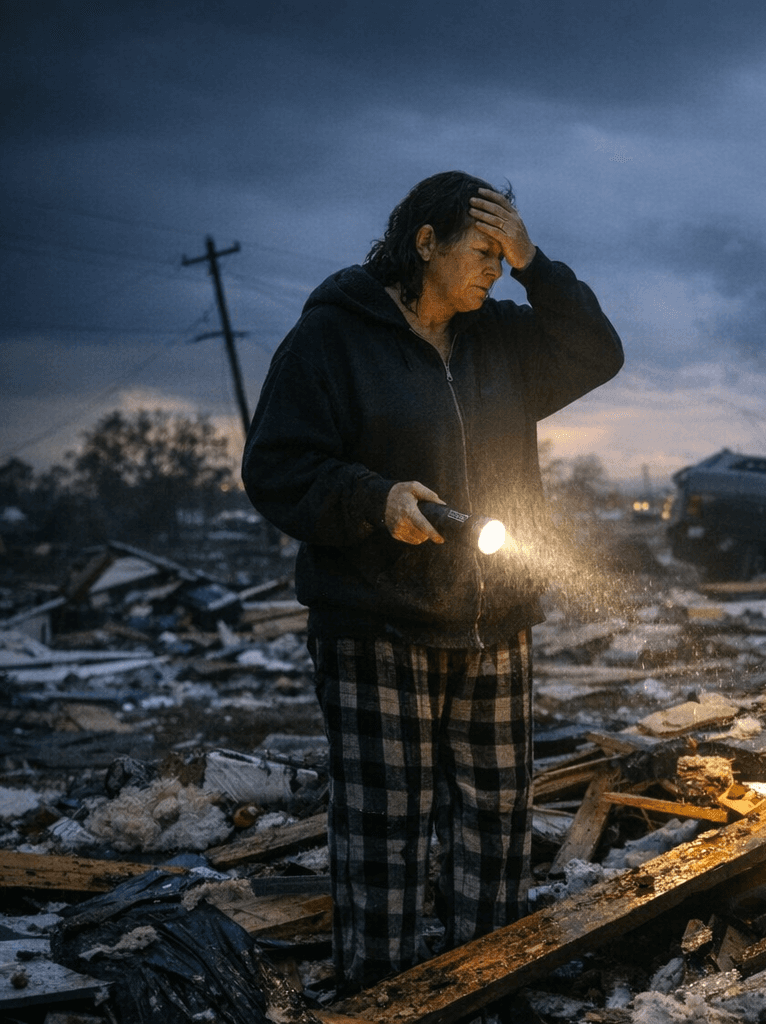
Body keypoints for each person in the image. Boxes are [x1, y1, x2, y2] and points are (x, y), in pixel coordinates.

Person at [241, 170, 623, 993]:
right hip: (377, 627)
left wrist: (536, 263)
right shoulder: (332, 340)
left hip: (495, 623)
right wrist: (375, 500)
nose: (495, 267)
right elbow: (276, 468)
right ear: (425, 242)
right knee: (387, 832)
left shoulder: (505, 339)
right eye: (483, 250)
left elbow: (599, 352)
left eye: (504, 254)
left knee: (496, 823)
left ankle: (485, 991)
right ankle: (383, 997)